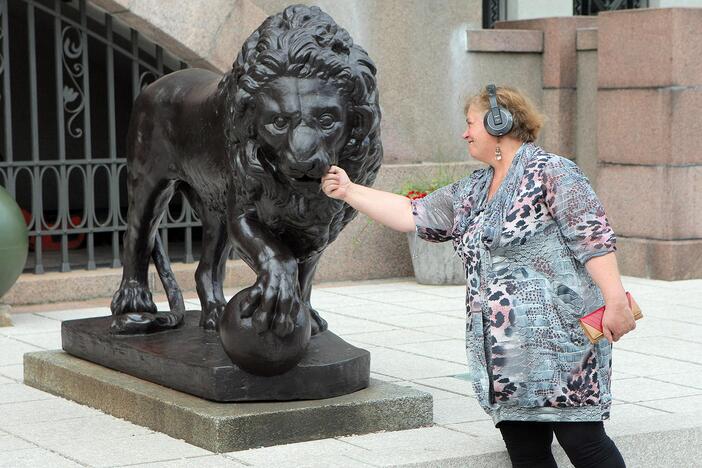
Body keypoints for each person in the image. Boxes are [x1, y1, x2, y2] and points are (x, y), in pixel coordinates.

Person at [321, 85, 636, 468]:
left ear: (498, 122)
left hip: (562, 347)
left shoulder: (552, 171)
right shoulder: (472, 189)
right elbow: (412, 214)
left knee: (584, 443)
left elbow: (594, 239)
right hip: (503, 356)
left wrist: (616, 301)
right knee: (526, 452)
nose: (465, 133)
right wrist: (349, 190)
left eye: (471, 123)